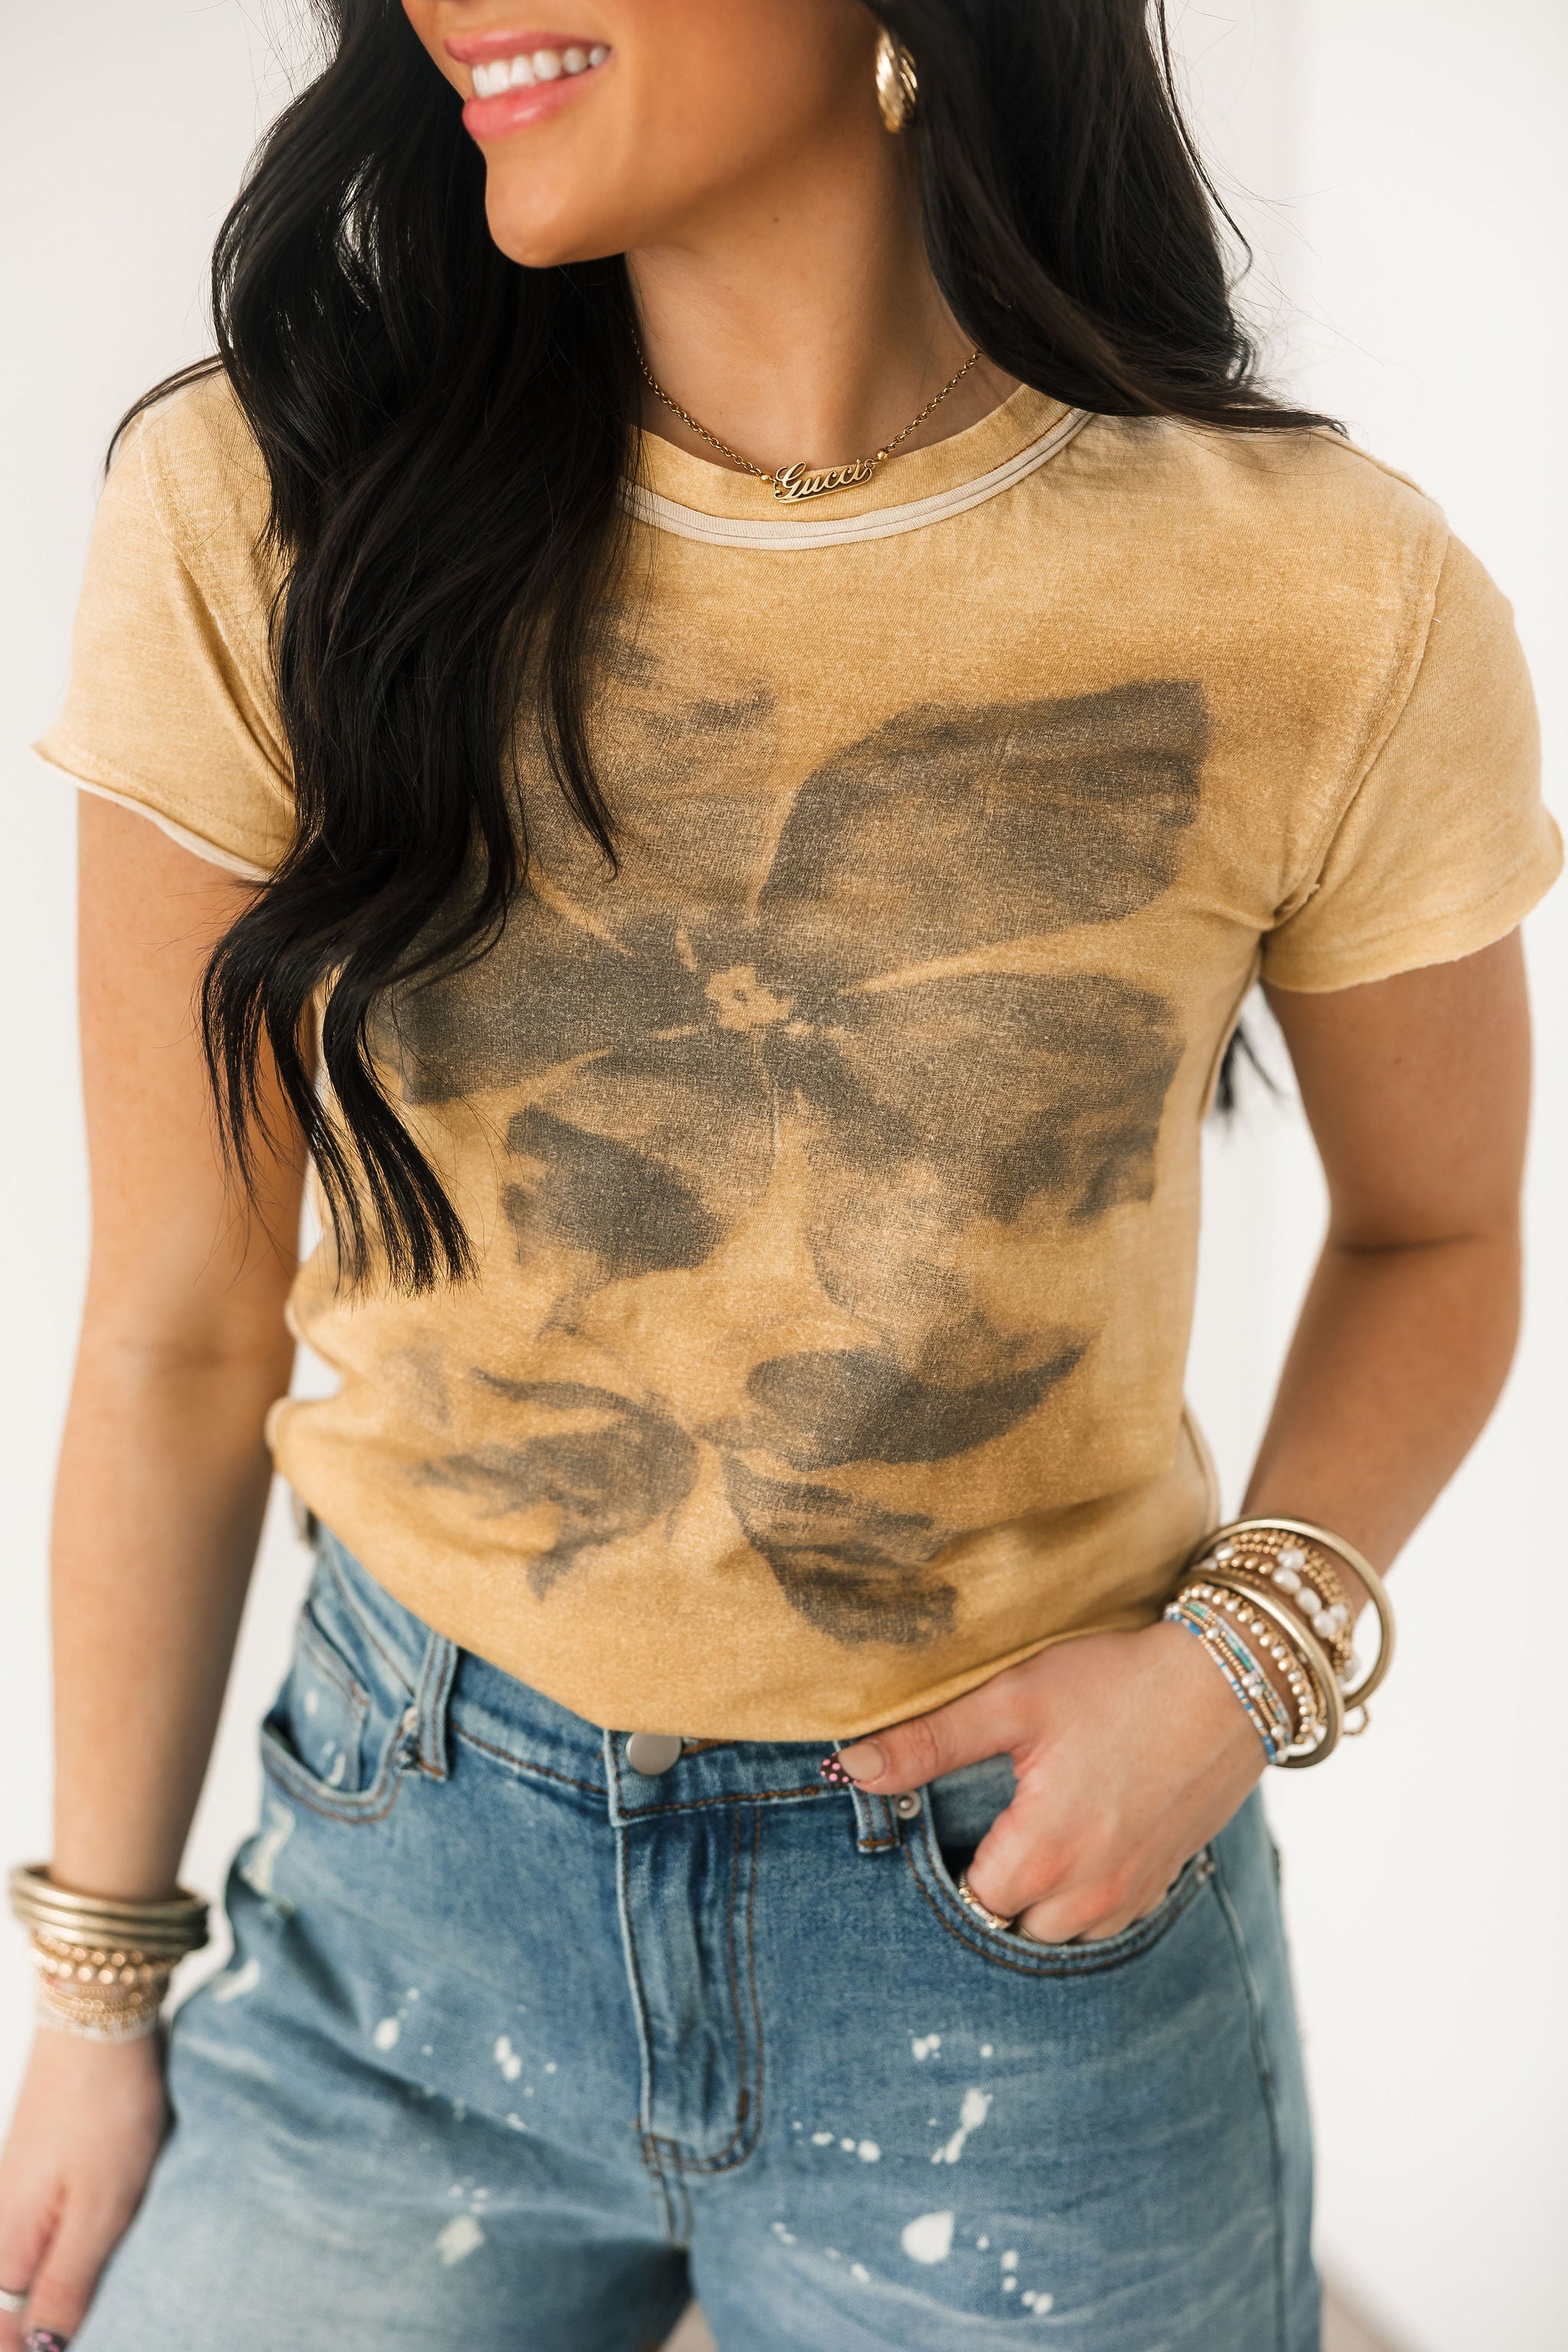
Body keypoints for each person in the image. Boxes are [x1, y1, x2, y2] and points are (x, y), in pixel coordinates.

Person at [0, 2, 1558, 2347]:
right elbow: (174, 1327)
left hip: (1018, 1946)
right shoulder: (273, 506)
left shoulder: (1326, 594)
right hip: (403, 1915)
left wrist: (1235, 1673)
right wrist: (96, 1999)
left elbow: (1441, 1231)